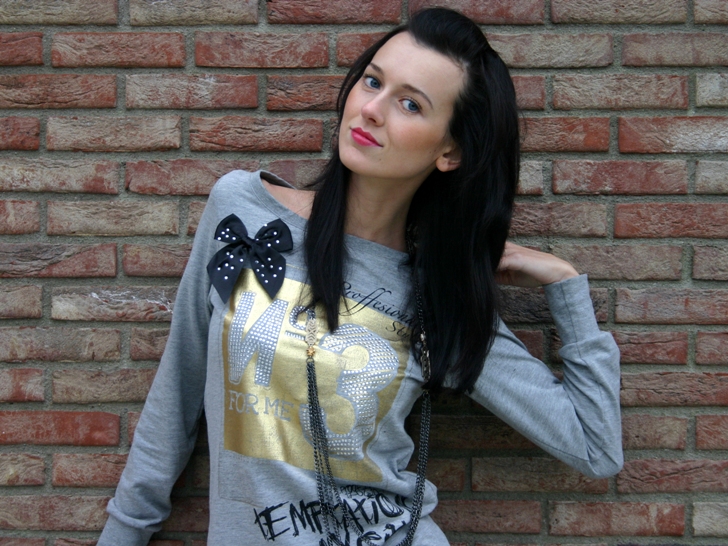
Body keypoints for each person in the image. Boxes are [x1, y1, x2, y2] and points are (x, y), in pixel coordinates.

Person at [99, 8, 622, 546]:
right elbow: (178, 390)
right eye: (373, 82)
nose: (371, 110)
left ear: (450, 151)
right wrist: (124, 532)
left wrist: (565, 285)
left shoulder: (439, 295)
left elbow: (596, 448)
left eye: (410, 104)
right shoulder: (245, 211)